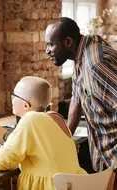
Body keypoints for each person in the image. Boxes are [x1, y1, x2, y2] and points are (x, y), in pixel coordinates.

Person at [0, 76, 86, 190]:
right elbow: (10, 141)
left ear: (26, 105)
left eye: (14, 96)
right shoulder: (55, 117)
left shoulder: (30, 119)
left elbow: (1, 162)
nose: (12, 99)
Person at [45, 17, 117, 187]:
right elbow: (77, 100)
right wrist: (66, 137)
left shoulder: (96, 65)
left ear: (68, 42)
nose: (46, 50)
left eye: (50, 44)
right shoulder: (81, 54)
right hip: (104, 155)